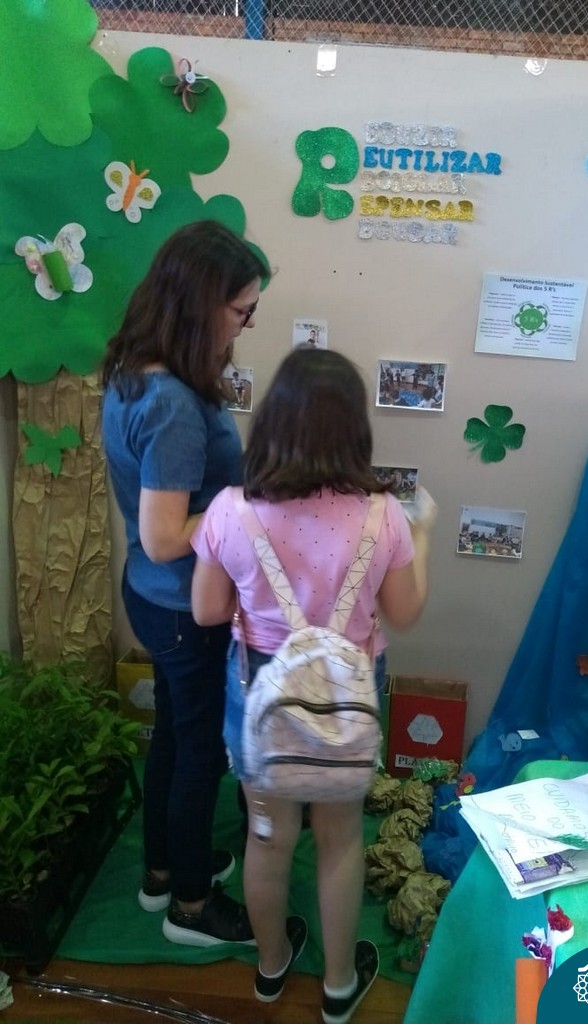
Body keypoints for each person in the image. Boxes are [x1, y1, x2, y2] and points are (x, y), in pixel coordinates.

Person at [190, 347, 435, 1023]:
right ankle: (337, 986)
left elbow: (206, 611)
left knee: (268, 836)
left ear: (274, 420)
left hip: (260, 689)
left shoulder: (232, 510)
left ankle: (271, 968)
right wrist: (424, 538)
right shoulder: (383, 516)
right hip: (346, 697)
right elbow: (405, 612)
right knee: (340, 838)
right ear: (354, 428)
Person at [101, 219, 269, 946]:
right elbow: (166, 534)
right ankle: (192, 908)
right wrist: (249, 508)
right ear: (201, 306)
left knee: (173, 734)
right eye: (241, 311)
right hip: (180, 601)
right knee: (200, 749)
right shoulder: (171, 402)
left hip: (151, 592)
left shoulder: (136, 367)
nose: (246, 325)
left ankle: (164, 869)